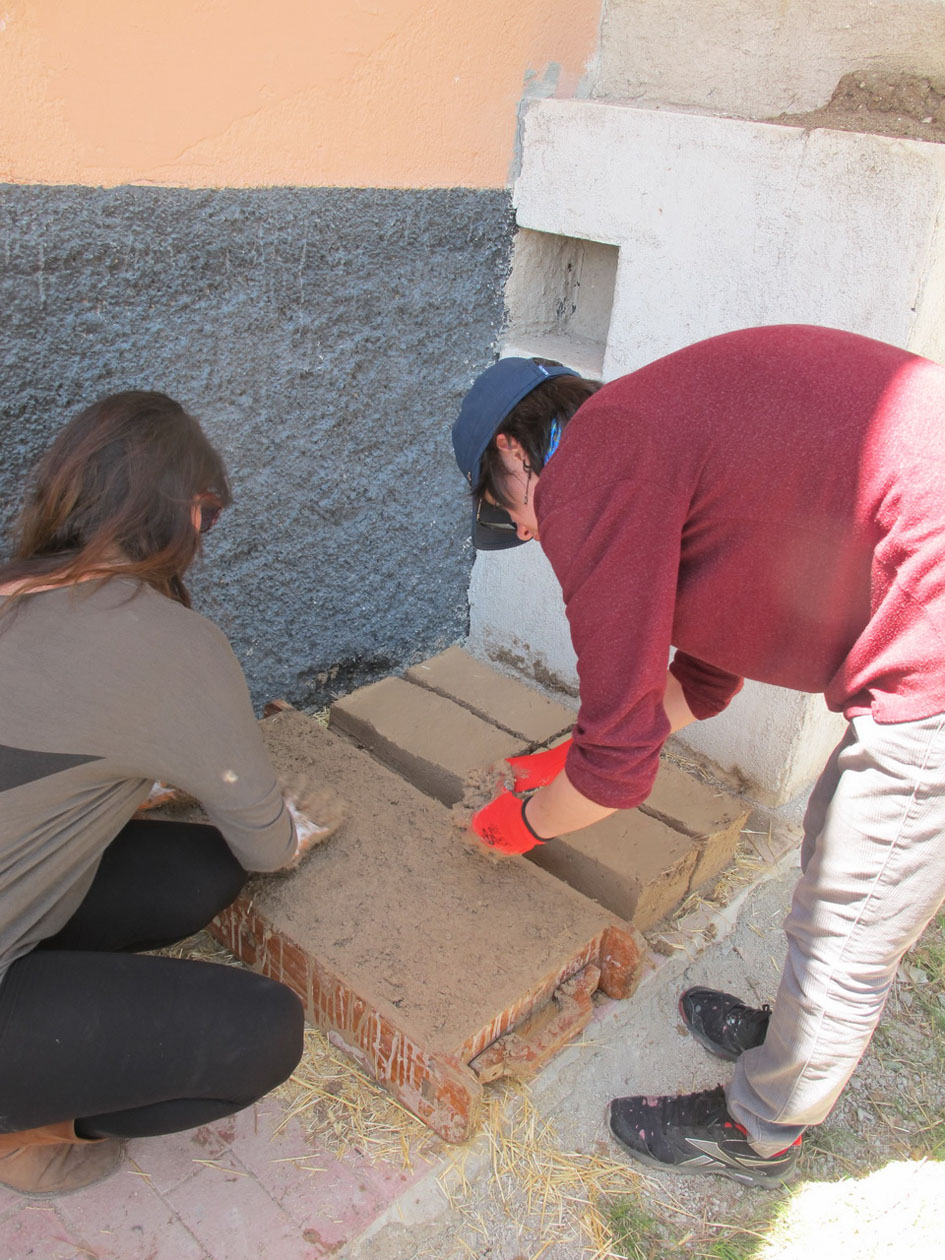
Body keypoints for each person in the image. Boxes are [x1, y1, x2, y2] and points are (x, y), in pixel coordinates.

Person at [450, 329, 945, 1188]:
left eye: (507, 510)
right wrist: (571, 755)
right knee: (834, 847)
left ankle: (760, 1132)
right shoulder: (645, 436)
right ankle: (789, 1037)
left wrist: (522, 822)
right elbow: (706, 673)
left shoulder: (590, 465)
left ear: (512, 449)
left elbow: (616, 774)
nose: (526, 530)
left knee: (850, 906)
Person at [0, 391, 326, 1196]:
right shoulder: (171, 643)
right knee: (263, 1031)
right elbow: (266, 845)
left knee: (200, 869)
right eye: (208, 517)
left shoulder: (16, 590)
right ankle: (22, 1131)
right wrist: (291, 830)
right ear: (187, 511)